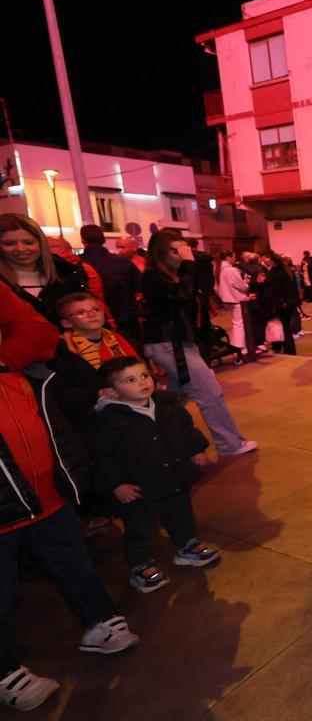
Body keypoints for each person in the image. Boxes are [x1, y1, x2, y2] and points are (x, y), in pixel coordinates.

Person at [0, 282, 139, 711]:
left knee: (74, 562)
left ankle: (99, 622)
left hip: (43, 487)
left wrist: (6, 356)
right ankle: (5, 669)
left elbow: (38, 332)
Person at [89, 356, 219, 594]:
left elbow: (185, 429)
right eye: (130, 380)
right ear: (111, 391)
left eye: (144, 375)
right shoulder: (108, 421)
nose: (142, 382)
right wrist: (116, 485)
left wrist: (196, 449)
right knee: (141, 527)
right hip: (138, 488)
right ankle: (141, 566)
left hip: (172, 477)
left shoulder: (165, 405)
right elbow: (103, 456)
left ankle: (186, 546)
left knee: (181, 514)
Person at [141, 230, 257, 456]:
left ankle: (153, 434)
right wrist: (188, 266)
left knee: (177, 395)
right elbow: (181, 296)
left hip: (180, 341)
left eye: (184, 248)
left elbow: (197, 294)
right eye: (176, 250)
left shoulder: (177, 274)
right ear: (161, 253)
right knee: (209, 391)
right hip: (169, 342)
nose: (182, 254)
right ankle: (229, 443)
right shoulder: (154, 276)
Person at [0, 214, 95, 326]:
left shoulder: (67, 274)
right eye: (9, 244)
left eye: (28, 242)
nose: (20, 249)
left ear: (41, 243)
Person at [78, 224, 142, 346]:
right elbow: (140, 286)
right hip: (127, 316)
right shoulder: (123, 261)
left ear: (82, 240)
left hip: (94, 318)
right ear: (104, 239)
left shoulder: (79, 263)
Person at [260, 252, 300, 355]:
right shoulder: (285, 270)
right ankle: (282, 347)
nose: (264, 261)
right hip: (289, 302)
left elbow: (271, 291)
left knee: (284, 327)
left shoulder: (274, 273)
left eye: (266, 259)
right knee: (284, 326)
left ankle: (288, 350)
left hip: (281, 304)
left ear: (272, 261)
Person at [217, 251, 251, 364]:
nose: (234, 259)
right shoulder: (230, 270)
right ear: (228, 257)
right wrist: (245, 283)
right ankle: (240, 349)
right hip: (235, 299)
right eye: (234, 257)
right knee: (239, 325)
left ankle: (239, 348)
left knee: (235, 323)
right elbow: (240, 286)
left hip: (225, 299)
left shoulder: (217, 269)